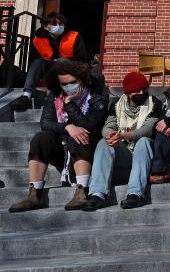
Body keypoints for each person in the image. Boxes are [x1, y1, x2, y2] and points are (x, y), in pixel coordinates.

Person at [9, 60, 109, 212]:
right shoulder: (55, 96)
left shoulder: (96, 94)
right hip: (61, 148)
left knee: (80, 133)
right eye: (64, 84)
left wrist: (69, 103)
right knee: (40, 138)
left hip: (87, 149)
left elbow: (90, 125)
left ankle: (81, 190)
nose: (69, 86)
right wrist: (67, 126)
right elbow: (46, 123)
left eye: (73, 82)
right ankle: (34, 193)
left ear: (83, 79)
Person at [83, 71, 163, 211]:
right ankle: (97, 194)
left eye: (144, 89)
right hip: (124, 152)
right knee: (104, 142)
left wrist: (123, 136)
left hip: (143, 153)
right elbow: (108, 126)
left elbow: (148, 129)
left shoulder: (154, 102)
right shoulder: (116, 105)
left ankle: (135, 194)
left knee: (144, 141)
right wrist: (112, 135)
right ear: (128, 92)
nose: (142, 92)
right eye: (137, 90)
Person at [12, 12, 89, 111]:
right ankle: (26, 96)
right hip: (49, 70)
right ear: (46, 27)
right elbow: (34, 61)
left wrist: (62, 61)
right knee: (37, 62)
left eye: (61, 24)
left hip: (70, 68)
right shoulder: (37, 40)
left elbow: (82, 58)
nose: (59, 26)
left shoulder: (74, 36)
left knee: (61, 62)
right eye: (55, 24)